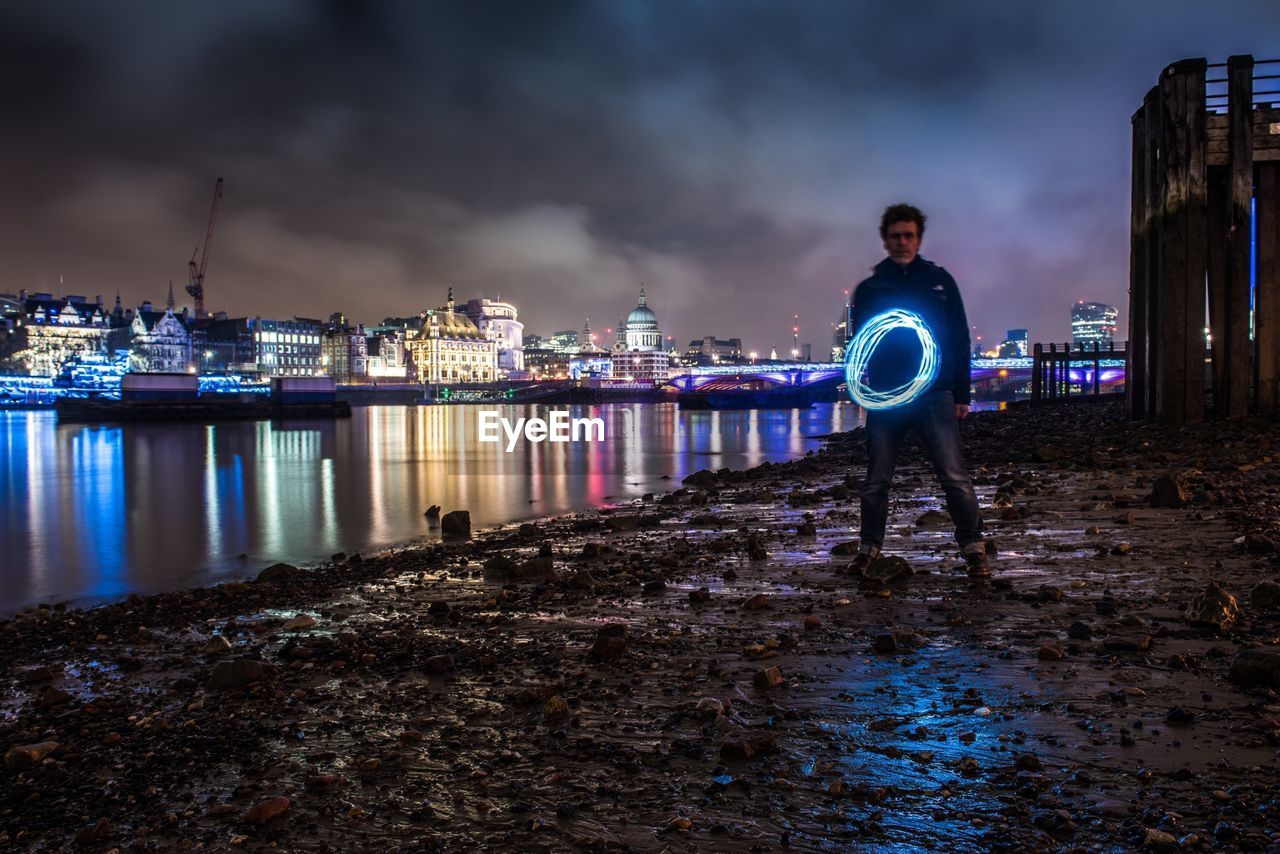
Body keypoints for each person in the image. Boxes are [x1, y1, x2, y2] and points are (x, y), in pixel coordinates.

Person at [848, 203, 988, 577]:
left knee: (953, 475)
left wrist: (962, 394)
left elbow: (959, 337)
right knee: (877, 479)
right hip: (886, 395)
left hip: (935, 393)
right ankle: (869, 549)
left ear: (919, 238)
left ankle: (974, 547)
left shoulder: (940, 282)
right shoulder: (870, 287)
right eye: (895, 236)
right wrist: (863, 380)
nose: (902, 242)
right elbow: (859, 341)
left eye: (908, 235)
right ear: (885, 240)